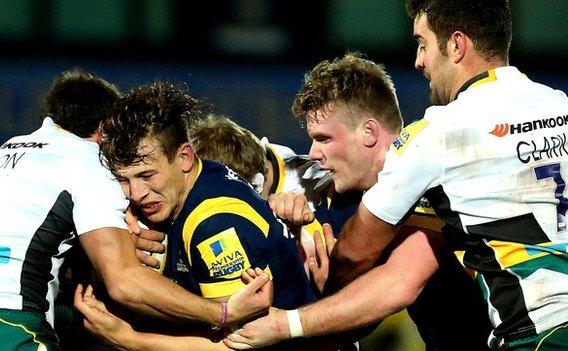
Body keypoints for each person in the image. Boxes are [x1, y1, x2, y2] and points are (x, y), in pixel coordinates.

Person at [233, 0, 568, 349]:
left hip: (538, 335)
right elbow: (266, 161)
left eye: (423, 44)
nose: (418, 61)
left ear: (456, 44)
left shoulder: (438, 138)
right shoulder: (559, 104)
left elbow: (387, 275)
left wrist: (295, 312)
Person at [0, 70, 270, 351]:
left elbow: (27, 239)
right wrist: (222, 311)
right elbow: (125, 283)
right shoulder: (85, 157)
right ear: (103, 131)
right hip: (7, 323)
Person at [224, 53, 492, 350]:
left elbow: (397, 285)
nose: (314, 152)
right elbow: (267, 164)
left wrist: (286, 324)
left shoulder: (431, 169)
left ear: (369, 132)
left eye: (324, 138)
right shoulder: (349, 195)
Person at [100, 81, 315, 312]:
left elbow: (237, 340)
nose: (137, 194)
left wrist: (126, 338)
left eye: (147, 175)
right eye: (124, 180)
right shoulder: (202, 176)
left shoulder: (216, 225)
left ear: (184, 157)